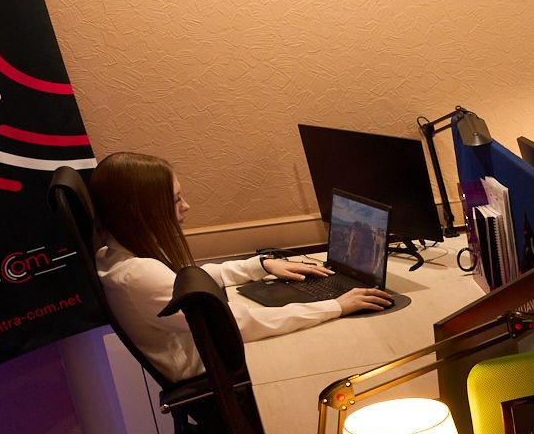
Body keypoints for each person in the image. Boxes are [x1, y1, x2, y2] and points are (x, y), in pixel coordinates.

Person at [91, 151, 390, 384]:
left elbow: (189, 281)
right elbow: (238, 323)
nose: (186, 206)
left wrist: (261, 265)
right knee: (335, 345)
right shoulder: (138, 275)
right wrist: (334, 306)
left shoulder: (116, 253)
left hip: (211, 354)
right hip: (213, 374)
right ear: (138, 210)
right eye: (176, 199)